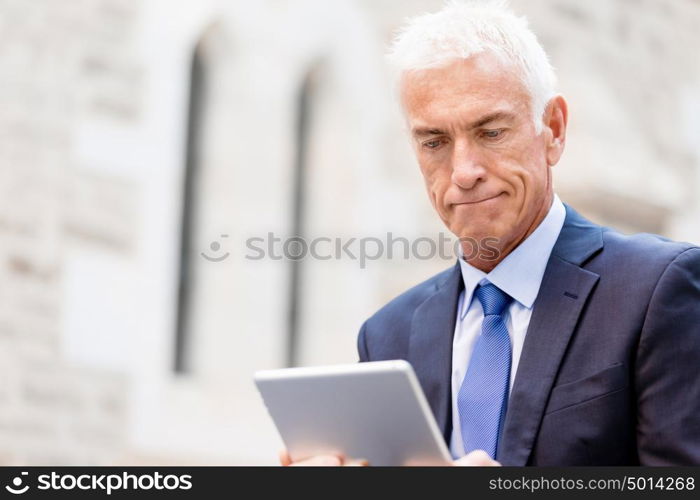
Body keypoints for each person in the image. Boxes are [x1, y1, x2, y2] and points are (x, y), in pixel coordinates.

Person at [284, 0, 700, 466]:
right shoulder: (387, 336)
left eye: (491, 132)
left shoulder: (657, 289)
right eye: (435, 142)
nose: (463, 171)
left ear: (554, 129)